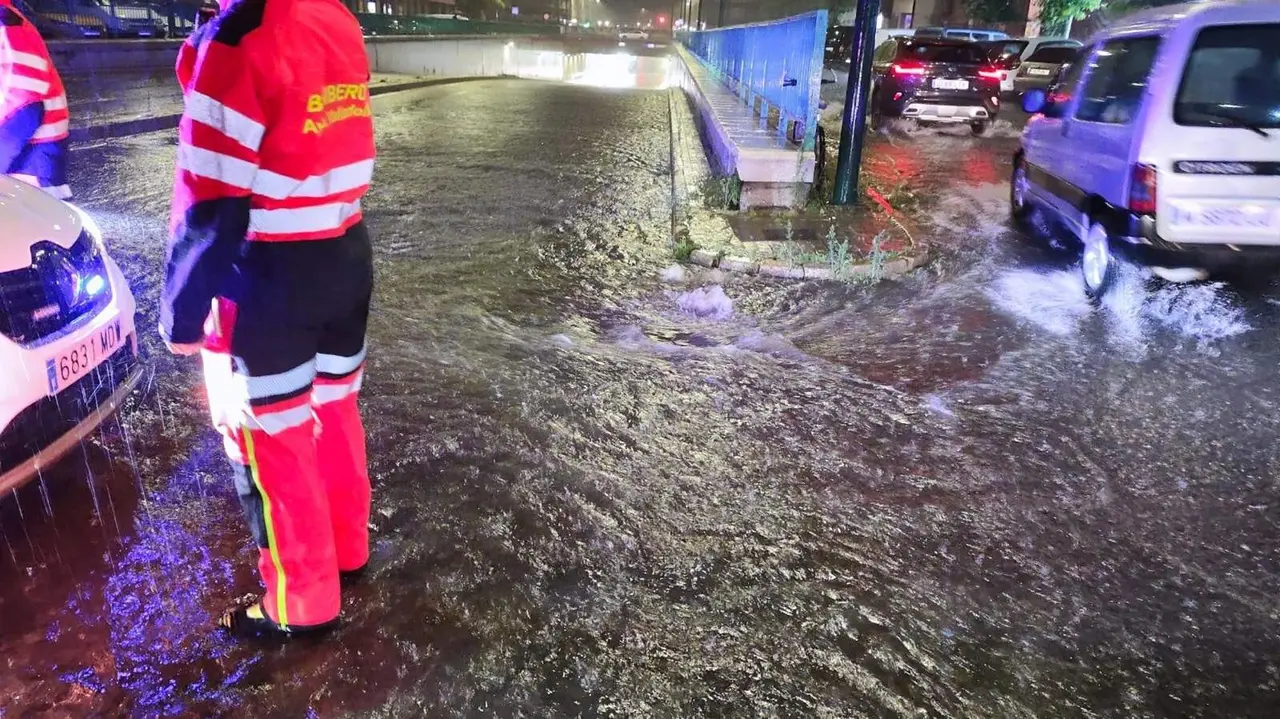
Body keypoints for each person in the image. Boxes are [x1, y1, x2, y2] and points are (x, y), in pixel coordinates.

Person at [160, 0, 376, 639]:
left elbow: (210, 200)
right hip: (345, 251)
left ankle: (300, 600)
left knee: (270, 439)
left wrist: (180, 312)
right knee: (334, 411)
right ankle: (348, 550)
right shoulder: (335, 16)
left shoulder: (239, 37)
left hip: (267, 279)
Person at [0, 0, 70, 199]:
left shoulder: (7, 25)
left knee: (45, 226)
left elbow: (25, 107)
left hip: (29, 162)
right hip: (29, 161)